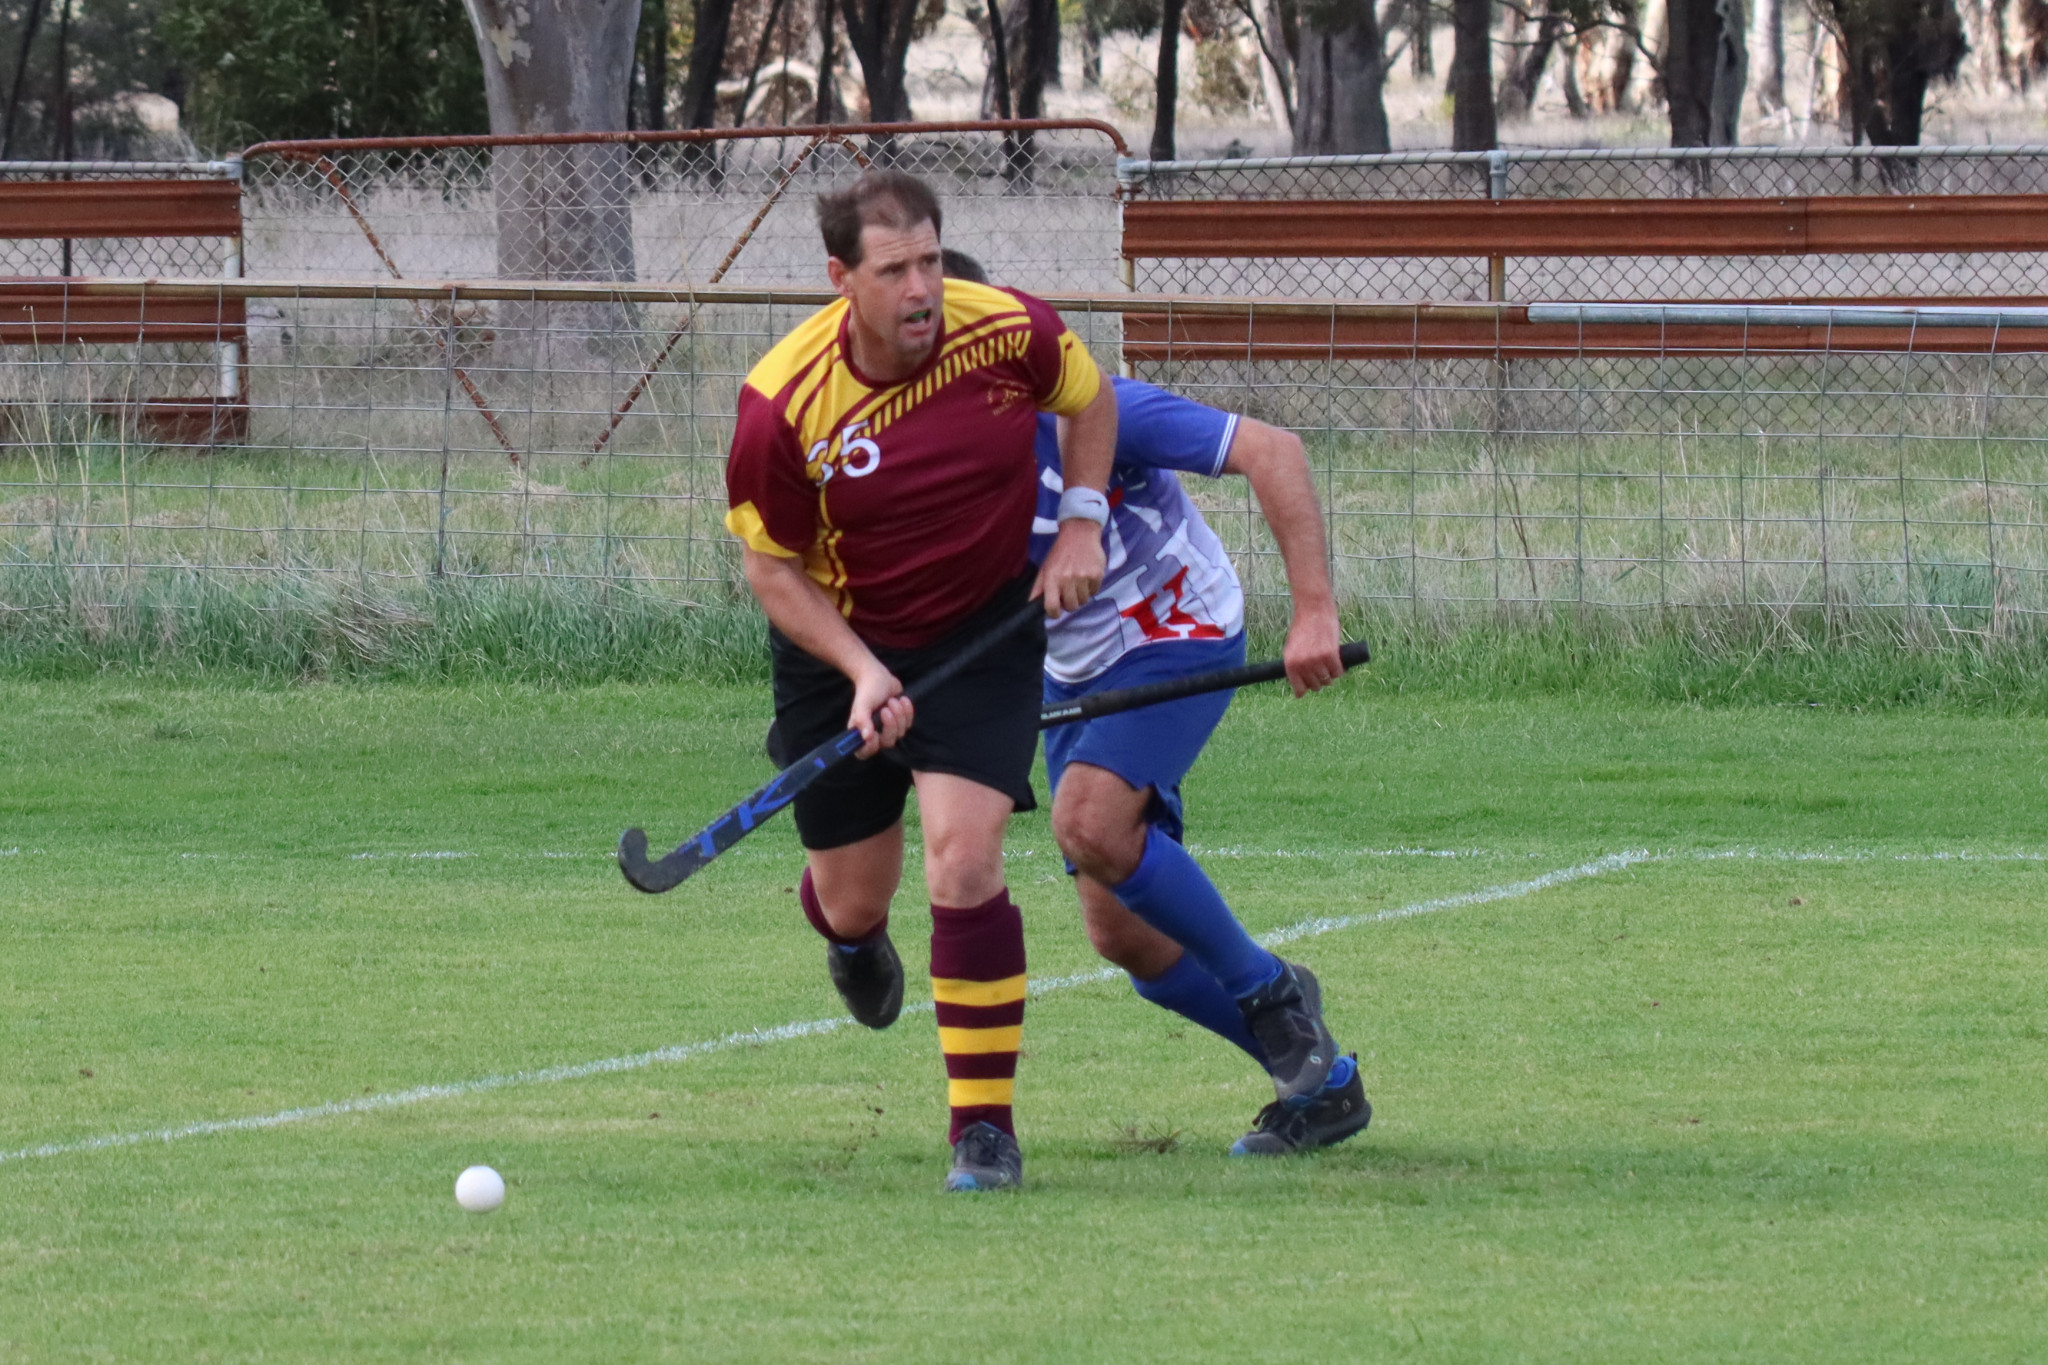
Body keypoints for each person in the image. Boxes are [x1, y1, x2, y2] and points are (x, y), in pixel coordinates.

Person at [723, 173, 1117, 1192]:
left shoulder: (1008, 330)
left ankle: (981, 1132)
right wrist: (861, 673)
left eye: (931, 260)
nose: (921, 288)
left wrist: (1080, 518)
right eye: (894, 268)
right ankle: (852, 946)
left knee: (963, 861)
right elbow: (770, 570)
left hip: (982, 631)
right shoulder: (780, 403)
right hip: (835, 641)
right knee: (855, 901)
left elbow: (1088, 398)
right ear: (839, 279)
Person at [936, 250, 1370, 1156]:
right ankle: (1322, 1082)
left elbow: (1271, 451)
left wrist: (1315, 611)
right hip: (1075, 670)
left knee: (1088, 820)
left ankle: (1271, 992)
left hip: (1178, 629)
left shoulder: (1096, 409)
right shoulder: (931, 469)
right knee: (1122, 932)